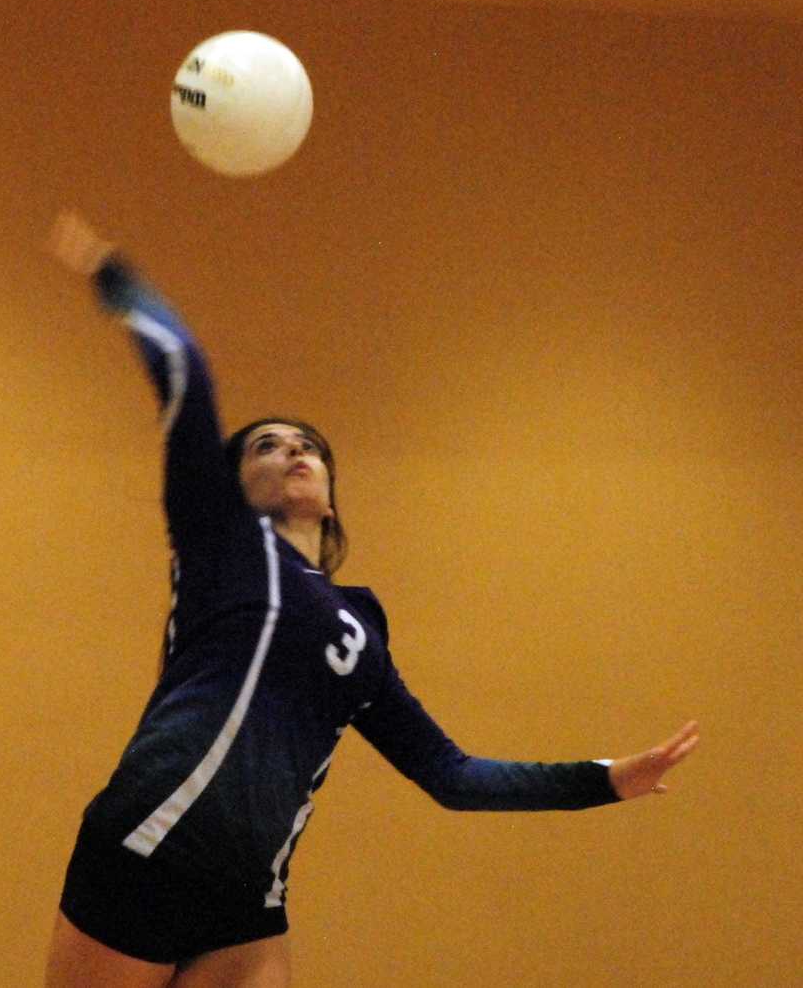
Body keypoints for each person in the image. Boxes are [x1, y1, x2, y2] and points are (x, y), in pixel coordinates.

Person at [44, 211, 700, 988]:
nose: (293, 450)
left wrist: (603, 779)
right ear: (231, 484)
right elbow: (184, 362)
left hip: (247, 901)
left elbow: (451, 774)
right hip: (149, 848)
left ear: (329, 498)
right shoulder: (221, 540)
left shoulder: (358, 625)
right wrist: (115, 277)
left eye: (309, 446)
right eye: (266, 444)